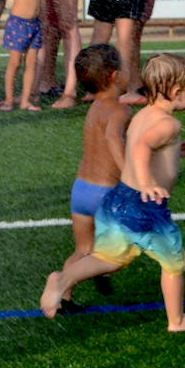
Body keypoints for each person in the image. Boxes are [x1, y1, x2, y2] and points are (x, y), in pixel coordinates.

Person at [41, 53, 185, 332]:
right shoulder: (169, 124)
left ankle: (63, 280)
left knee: (109, 258)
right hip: (144, 205)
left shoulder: (144, 115)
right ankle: (177, 321)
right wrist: (147, 184)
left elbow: (139, 143)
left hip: (118, 199)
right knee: (174, 263)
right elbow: (141, 148)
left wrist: (176, 149)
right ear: (177, 92)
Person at [60, 43, 129, 304]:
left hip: (82, 190)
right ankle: (96, 268)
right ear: (114, 75)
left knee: (83, 249)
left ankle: (64, 294)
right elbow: (113, 138)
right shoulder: (120, 109)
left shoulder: (95, 108)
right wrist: (130, 175)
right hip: (106, 192)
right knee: (118, 256)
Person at [0, 0, 51, 112]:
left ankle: (25, 100)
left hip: (34, 24)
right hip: (18, 24)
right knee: (14, 63)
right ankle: (8, 99)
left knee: (31, 64)